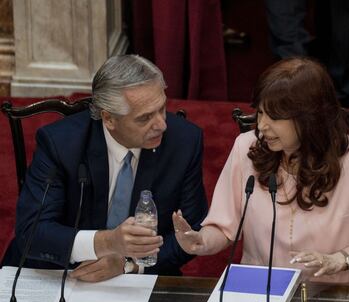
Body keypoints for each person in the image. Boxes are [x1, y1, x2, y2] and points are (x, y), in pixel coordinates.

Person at [173, 57, 349, 285]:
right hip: (261, 288)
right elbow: (224, 227)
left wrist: (339, 259)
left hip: (334, 288)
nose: (262, 126)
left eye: (274, 117)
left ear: (309, 118)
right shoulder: (246, 147)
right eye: (261, 113)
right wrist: (201, 241)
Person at [2, 54, 208, 281]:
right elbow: (32, 232)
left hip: (138, 279)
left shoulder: (184, 141)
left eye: (162, 108)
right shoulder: (60, 144)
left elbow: (191, 233)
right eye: (144, 118)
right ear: (109, 119)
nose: (161, 124)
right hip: (59, 273)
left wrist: (128, 264)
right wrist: (107, 242)